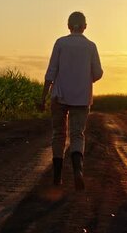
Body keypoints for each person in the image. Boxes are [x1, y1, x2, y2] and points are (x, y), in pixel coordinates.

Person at [39, 11, 103, 191]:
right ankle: (78, 171)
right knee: (77, 134)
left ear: (68, 25)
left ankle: (57, 177)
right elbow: (97, 73)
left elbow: (51, 71)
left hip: (59, 96)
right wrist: (85, 78)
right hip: (82, 98)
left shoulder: (60, 43)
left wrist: (43, 96)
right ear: (85, 26)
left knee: (59, 134)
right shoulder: (91, 46)